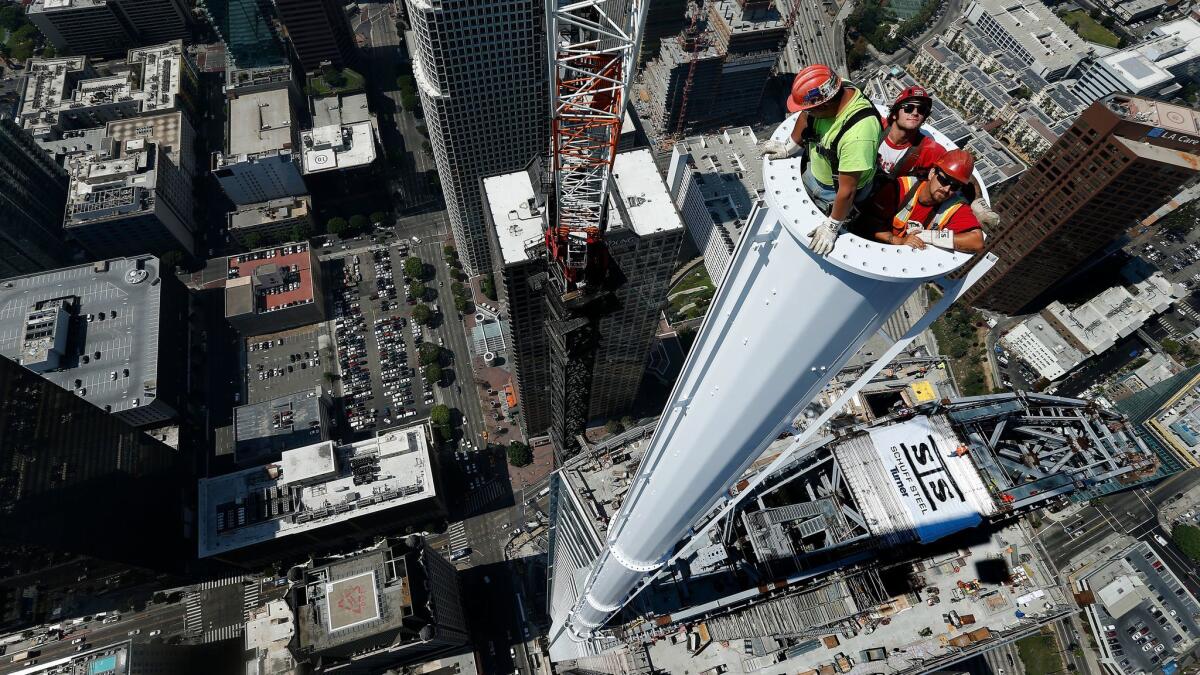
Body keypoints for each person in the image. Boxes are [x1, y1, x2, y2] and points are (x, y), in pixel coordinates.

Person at [763, 64, 882, 256]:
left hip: (835, 193)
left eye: (812, 109)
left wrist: (832, 226)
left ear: (825, 104)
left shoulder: (859, 134)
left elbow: (847, 190)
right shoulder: (833, 88)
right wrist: (790, 146)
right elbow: (806, 114)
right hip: (816, 172)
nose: (807, 112)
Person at [877, 86, 1001, 228]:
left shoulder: (928, 149)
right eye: (909, 108)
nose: (915, 112)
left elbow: (963, 174)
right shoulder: (875, 125)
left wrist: (979, 206)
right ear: (894, 113)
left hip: (885, 203)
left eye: (921, 110)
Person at [863, 149, 986, 254]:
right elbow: (867, 221)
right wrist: (898, 241)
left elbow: (977, 242)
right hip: (872, 249)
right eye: (944, 180)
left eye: (955, 186)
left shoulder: (954, 206)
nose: (947, 189)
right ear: (932, 173)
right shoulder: (902, 187)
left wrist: (929, 236)